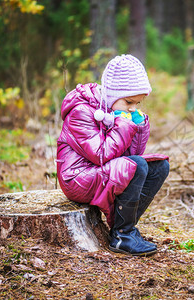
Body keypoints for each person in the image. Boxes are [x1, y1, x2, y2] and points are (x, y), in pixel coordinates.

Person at [56, 54, 169, 256]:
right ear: (111, 94)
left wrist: (138, 126)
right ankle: (122, 236)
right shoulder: (81, 112)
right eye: (128, 102)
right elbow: (100, 155)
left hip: (100, 171)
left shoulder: (115, 112)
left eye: (138, 103)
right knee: (137, 165)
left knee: (159, 167)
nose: (133, 108)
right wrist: (124, 124)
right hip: (78, 177)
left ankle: (125, 226)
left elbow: (131, 155)